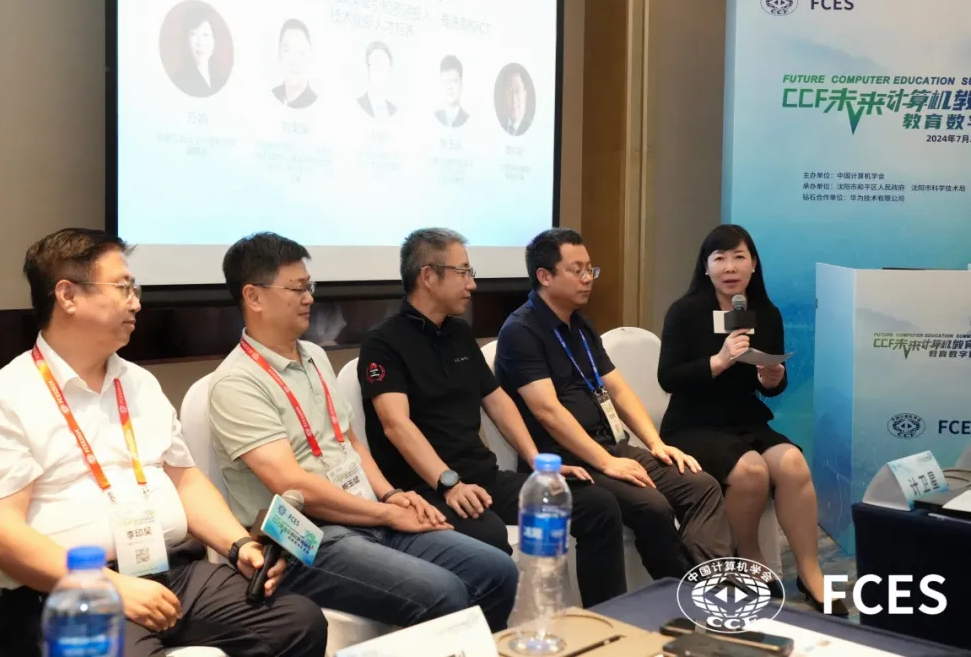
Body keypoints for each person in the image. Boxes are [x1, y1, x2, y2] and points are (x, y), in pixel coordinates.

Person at [0, 229, 327, 657]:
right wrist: (110, 587)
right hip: (63, 595)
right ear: (68, 295)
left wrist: (238, 546)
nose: (136, 303)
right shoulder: (3, 398)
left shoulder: (138, 382)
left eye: (135, 289)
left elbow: (185, 481)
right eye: (123, 288)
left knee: (298, 622)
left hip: (166, 572)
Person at [208, 232, 517, 631]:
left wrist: (390, 495)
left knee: (497, 570)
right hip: (308, 540)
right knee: (445, 592)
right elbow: (292, 484)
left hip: (367, 514)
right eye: (297, 289)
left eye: (309, 286)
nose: (309, 299)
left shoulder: (314, 355)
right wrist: (385, 513)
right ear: (253, 297)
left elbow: (349, 441)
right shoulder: (236, 383)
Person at [358, 228, 628, 606]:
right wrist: (449, 483)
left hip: (482, 477)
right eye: (463, 272)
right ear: (428, 276)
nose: (472, 284)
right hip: (426, 488)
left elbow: (497, 400)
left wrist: (537, 462)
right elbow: (396, 425)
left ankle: (608, 618)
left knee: (597, 505)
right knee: (489, 535)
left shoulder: (458, 332)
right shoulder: (383, 342)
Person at [495, 228, 732, 582]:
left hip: (612, 446)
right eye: (576, 270)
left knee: (701, 486)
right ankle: (680, 594)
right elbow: (548, 411)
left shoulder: (580, 325)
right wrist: (607, 462)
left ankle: (711, 582)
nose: (587, 278)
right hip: (567, 460)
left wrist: (655, 443)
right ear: (544, 276)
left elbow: (618, 391)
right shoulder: (521, 331)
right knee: (652, 505)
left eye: (590, 269)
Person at [657, 224, 848, 616]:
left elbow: (771, 385)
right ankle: (748, 558)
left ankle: (810, 573)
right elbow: (668, 378)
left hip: (744, 419)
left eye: (739, 257)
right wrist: (720, 360)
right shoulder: (685, 312)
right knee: (751, 472)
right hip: (692, 424)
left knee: (793, 464)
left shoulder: (765, 314)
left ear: (754, 264)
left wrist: (771, 378)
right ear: (706, 266)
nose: (730, 267)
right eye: (720, 258)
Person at [172, 6, 225, 98]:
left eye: (206, 35)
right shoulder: (180, 80)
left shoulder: (219, 77)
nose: (200, 43)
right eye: (193, 35)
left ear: (214, 40)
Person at [272, 19, 317, 108]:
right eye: (287, 51)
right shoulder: (270, 96)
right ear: (279, 55)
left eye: (301, 52)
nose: (294, 61)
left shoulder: (316, 103)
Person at [357, 42, 397, 118]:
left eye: (383, 66)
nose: (379, 71)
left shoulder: (393, 110)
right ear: (368, 69)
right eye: (375, 65)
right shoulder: (357, 106)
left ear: (389, 70)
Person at [434, 55, 469, 128]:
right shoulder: (434, 119)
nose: (449, 87)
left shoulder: (468, 120)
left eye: (454, 81)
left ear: (461, 84)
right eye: (446, 81)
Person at [498, 68, 532, 136]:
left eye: (517, 91)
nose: (514, 98)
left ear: (525, 94)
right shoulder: (500, 125)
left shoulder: (531, 126)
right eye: (510, 91)